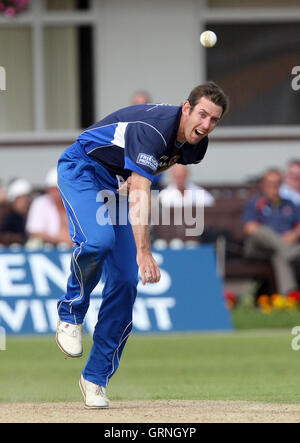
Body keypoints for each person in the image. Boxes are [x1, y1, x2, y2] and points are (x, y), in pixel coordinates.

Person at [55, 81, 229, 409]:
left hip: (118, 187)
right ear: (186, 108)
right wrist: (143, 251)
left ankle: (96, 378)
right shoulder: (153, 128)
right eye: (202, 114)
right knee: (98, 241)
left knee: (124, 281)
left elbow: (157, 167)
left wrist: (132, 177)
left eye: (214, 120)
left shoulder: (196, 145)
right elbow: (142, 191)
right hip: (83, 170)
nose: (206, 125)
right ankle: (71, 313)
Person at [243, 169, 300, 296]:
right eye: (271, 183)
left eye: (278, 183)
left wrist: (293, 234)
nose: (274, 186)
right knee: (262, 231)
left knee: (279, 254)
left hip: (280, 249)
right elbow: (250, 227)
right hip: (258, 247)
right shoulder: (255, 202)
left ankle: (290, 296)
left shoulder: (289, 204)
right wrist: (279, 240)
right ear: (263, 184)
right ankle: (292, 253)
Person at [26, 168, 73, 247]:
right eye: (53, 189)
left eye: (58, 189)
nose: (56, 193)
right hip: (47, 247)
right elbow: (34, 231)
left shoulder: (73, 204)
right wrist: (60, 239)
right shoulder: (40, 203)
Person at [0, 178, 32, 246]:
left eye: (27, 198)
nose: (25, 202)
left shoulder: (31, 216)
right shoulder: (6, 217)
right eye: (21, 199)